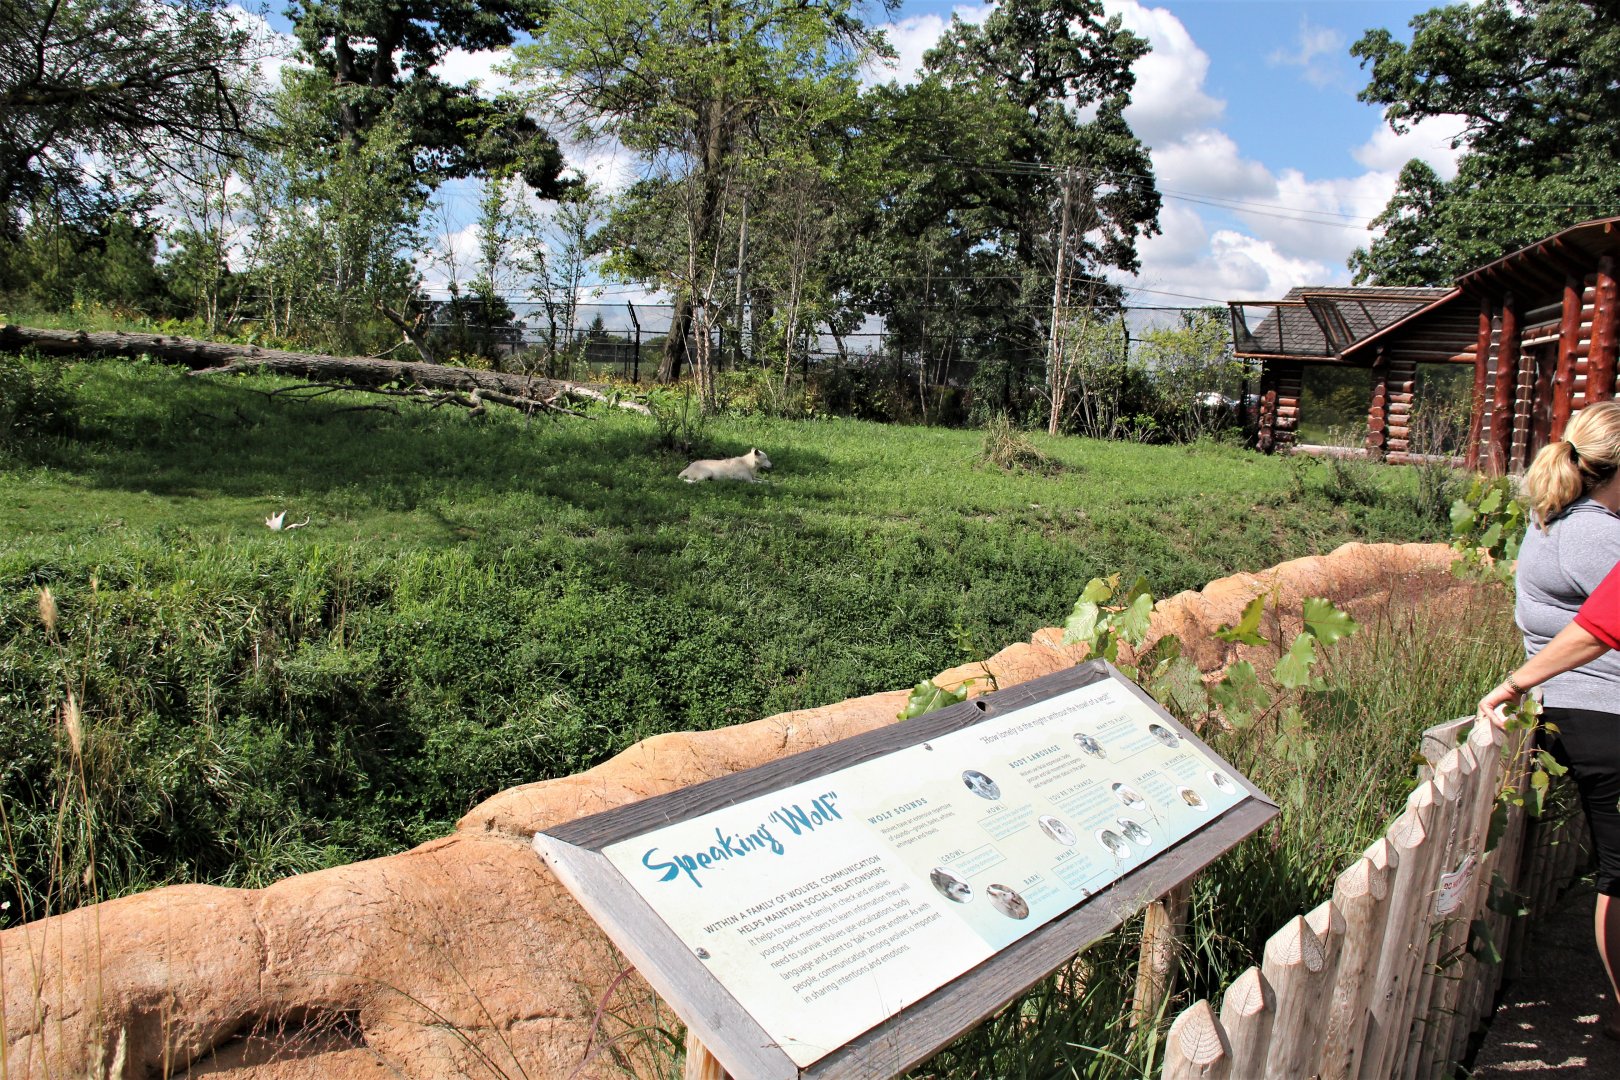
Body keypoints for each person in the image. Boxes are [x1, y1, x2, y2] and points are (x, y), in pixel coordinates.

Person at [1478, 401, 1620, 1036]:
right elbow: (1599, 627)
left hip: (1581, 710)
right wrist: (1515, 682)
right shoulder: (1597, 533)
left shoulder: (1553, 517)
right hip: (1607, 713)